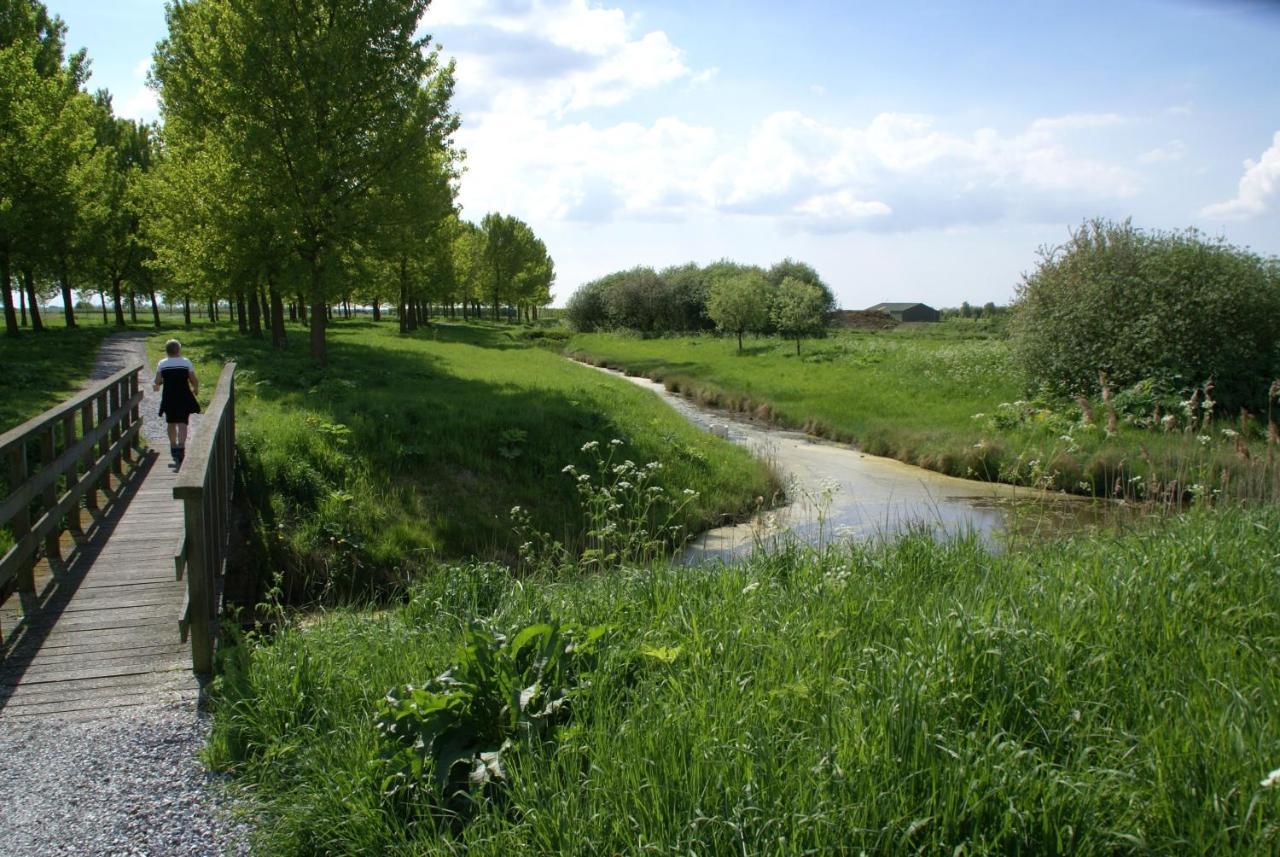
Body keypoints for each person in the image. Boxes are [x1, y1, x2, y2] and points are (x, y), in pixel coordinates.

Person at [153, 339, 201, 468]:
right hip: (184, 396)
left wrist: (156, 386)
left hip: (169, 397)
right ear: (178, 350)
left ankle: (173, 447)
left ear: (167, 351)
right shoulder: (185, 362)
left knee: (171, 422)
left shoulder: (162, 363)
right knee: (183, 422)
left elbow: (157, 381)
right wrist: (195, 390)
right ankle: (181, 448)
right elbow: (193, 380)